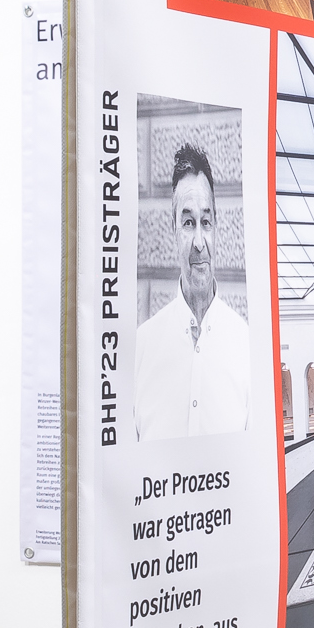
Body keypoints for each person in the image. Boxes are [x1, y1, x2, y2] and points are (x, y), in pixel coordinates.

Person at [131, 142, 251, 440]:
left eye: (205, 222)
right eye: (187, 223)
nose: (199, 242)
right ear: (173, 228)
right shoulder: (141, 348)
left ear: (216, 227)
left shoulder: (247, 346)